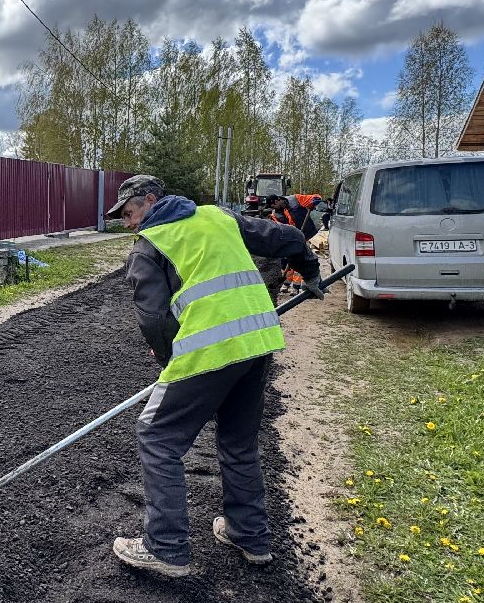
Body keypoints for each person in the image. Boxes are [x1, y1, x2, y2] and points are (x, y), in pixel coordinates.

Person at [107, 174, 324, 578]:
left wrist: (172, 366)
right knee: (239, 441)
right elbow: (288, 240)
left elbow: (154, 321)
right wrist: (309, 273)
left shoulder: (148, 247)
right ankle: (250, 535)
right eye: (123, 217)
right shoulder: (219, 216)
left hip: (208, 349)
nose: (128, 223)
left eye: (130, 212)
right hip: (256, 341)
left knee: (157, 435)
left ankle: (166, 547)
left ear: (151, 200)